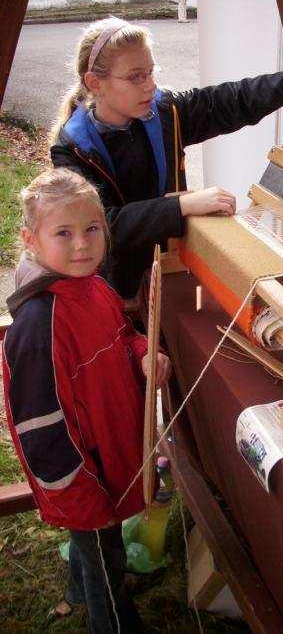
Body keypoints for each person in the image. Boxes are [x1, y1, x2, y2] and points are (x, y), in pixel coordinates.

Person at [50, 17, 283, 300]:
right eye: (136, 77)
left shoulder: (164, 113)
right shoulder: (73, 148)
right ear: (96, 83)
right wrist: (180, 206)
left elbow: (230, 100)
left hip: (169, 268)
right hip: (112, 284)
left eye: (151, 72)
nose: (150, 86)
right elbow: (100, 225)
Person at [2, 167, 170, 633]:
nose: (82, 244)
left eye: (92, 229)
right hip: (82, 477)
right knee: (106, 563)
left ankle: (78, 587)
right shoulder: (37, 327)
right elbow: (40, 426)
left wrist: (144, 355)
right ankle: (113, 622)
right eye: (64, 233)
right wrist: (78, 492)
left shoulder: (95, 287)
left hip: (110, 456)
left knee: (98, 545)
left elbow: (124, 336)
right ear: (31, 239)